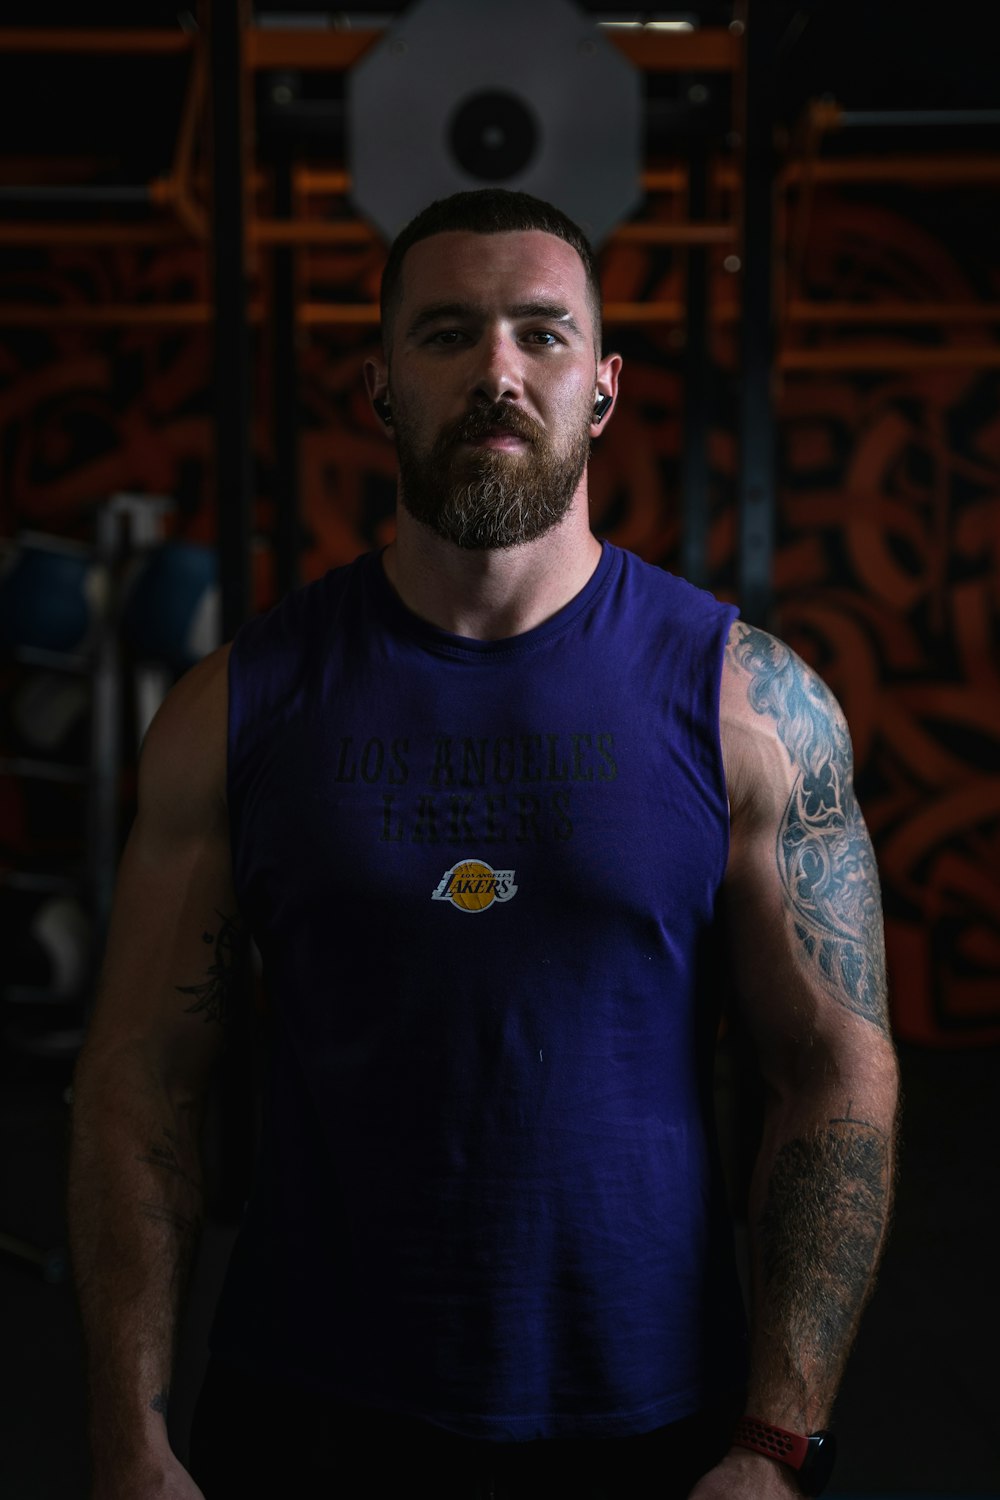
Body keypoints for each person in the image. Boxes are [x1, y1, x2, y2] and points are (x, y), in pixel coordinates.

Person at [68, 188, 899, 1500]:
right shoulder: (239, 708)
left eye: (542, 333)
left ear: (603, 391)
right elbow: (139, 1078)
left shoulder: (749, 704)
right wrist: (130, 1436)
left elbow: (833, 1071)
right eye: (449, 334)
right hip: (310, 1412)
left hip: (656, 1417)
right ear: (381, 387)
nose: (499, 371)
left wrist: (777, 1439)